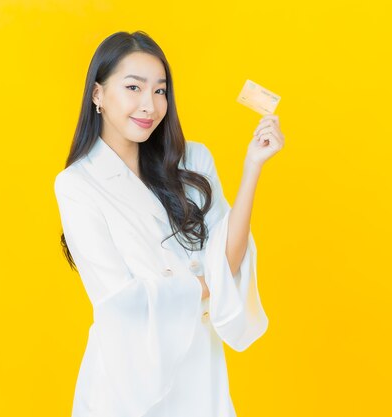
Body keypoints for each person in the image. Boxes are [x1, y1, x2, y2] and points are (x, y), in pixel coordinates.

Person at [54, 30, 285, 417]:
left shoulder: (192, 160)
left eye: (160, 91)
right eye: (134, 87)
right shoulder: (78, 184)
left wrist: (252, 168)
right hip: (128, 381)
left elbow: (228, 262)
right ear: (97, 95)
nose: (150, 104)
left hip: (199, 370)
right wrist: (207, 286)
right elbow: (120, 300)